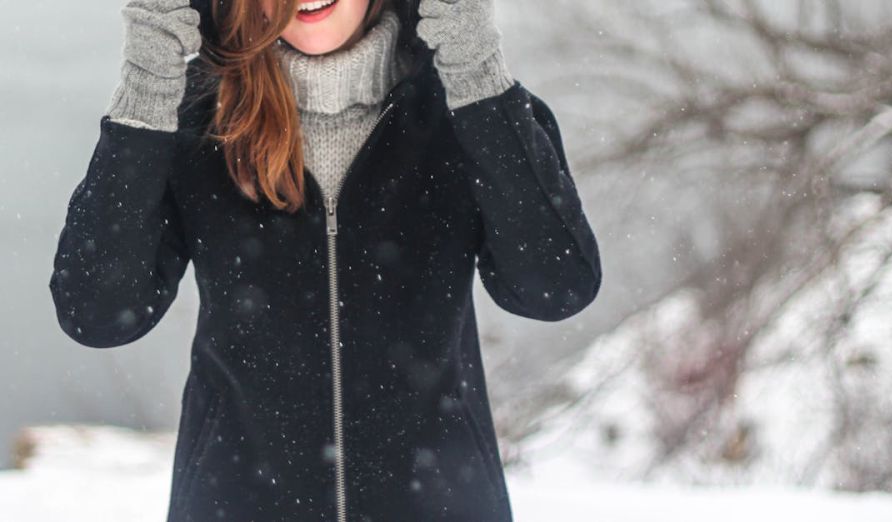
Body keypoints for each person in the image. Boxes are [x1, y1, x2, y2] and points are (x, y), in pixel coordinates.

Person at [47, 0, 602, 520]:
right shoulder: (197, 121)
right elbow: (97, 312)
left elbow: (555, 288)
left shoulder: (468, 108)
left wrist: (474, 65)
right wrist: (149, 81)